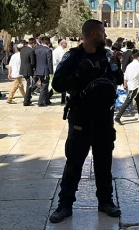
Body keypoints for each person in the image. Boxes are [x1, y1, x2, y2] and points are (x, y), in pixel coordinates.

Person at [49, 20, 122, 223]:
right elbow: (57, 84)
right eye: (102, 32)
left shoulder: (106, 55)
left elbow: (118, 80)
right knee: (74, 162)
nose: (105, 35)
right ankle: (65, 205)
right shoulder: (73, 56)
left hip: (104, 119)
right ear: (92, 33)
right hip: (81, 118)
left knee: (104, 162)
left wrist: (116, 67)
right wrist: (78, 74)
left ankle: (106, 202)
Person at [34, 37, 53, 107]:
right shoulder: (48, 50)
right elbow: (49, 62)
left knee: (45, 85)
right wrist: (51, 72)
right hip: (45, 70)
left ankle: (47, 101)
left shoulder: (36, 49)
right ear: (48, 43)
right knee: (44, 86)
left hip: (37, 70)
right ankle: (40, 102)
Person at [20, 38, 36, 106]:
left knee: (28, 84)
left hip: (23, 69)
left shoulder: (22, 49)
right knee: (29, 85)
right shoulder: (31, 51)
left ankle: (28, 98)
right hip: (29, 70)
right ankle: (26, 101)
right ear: (32, 43)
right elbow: (32, 62)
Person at [52, 39, 68, 104]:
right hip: (60, 69)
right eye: (65, 43)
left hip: (55, 68)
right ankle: (63, 99)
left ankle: (49, 95)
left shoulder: (55, 50)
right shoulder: (61, 51)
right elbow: (63, 61)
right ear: (62, 44)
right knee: (63, 83)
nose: (66, 44)